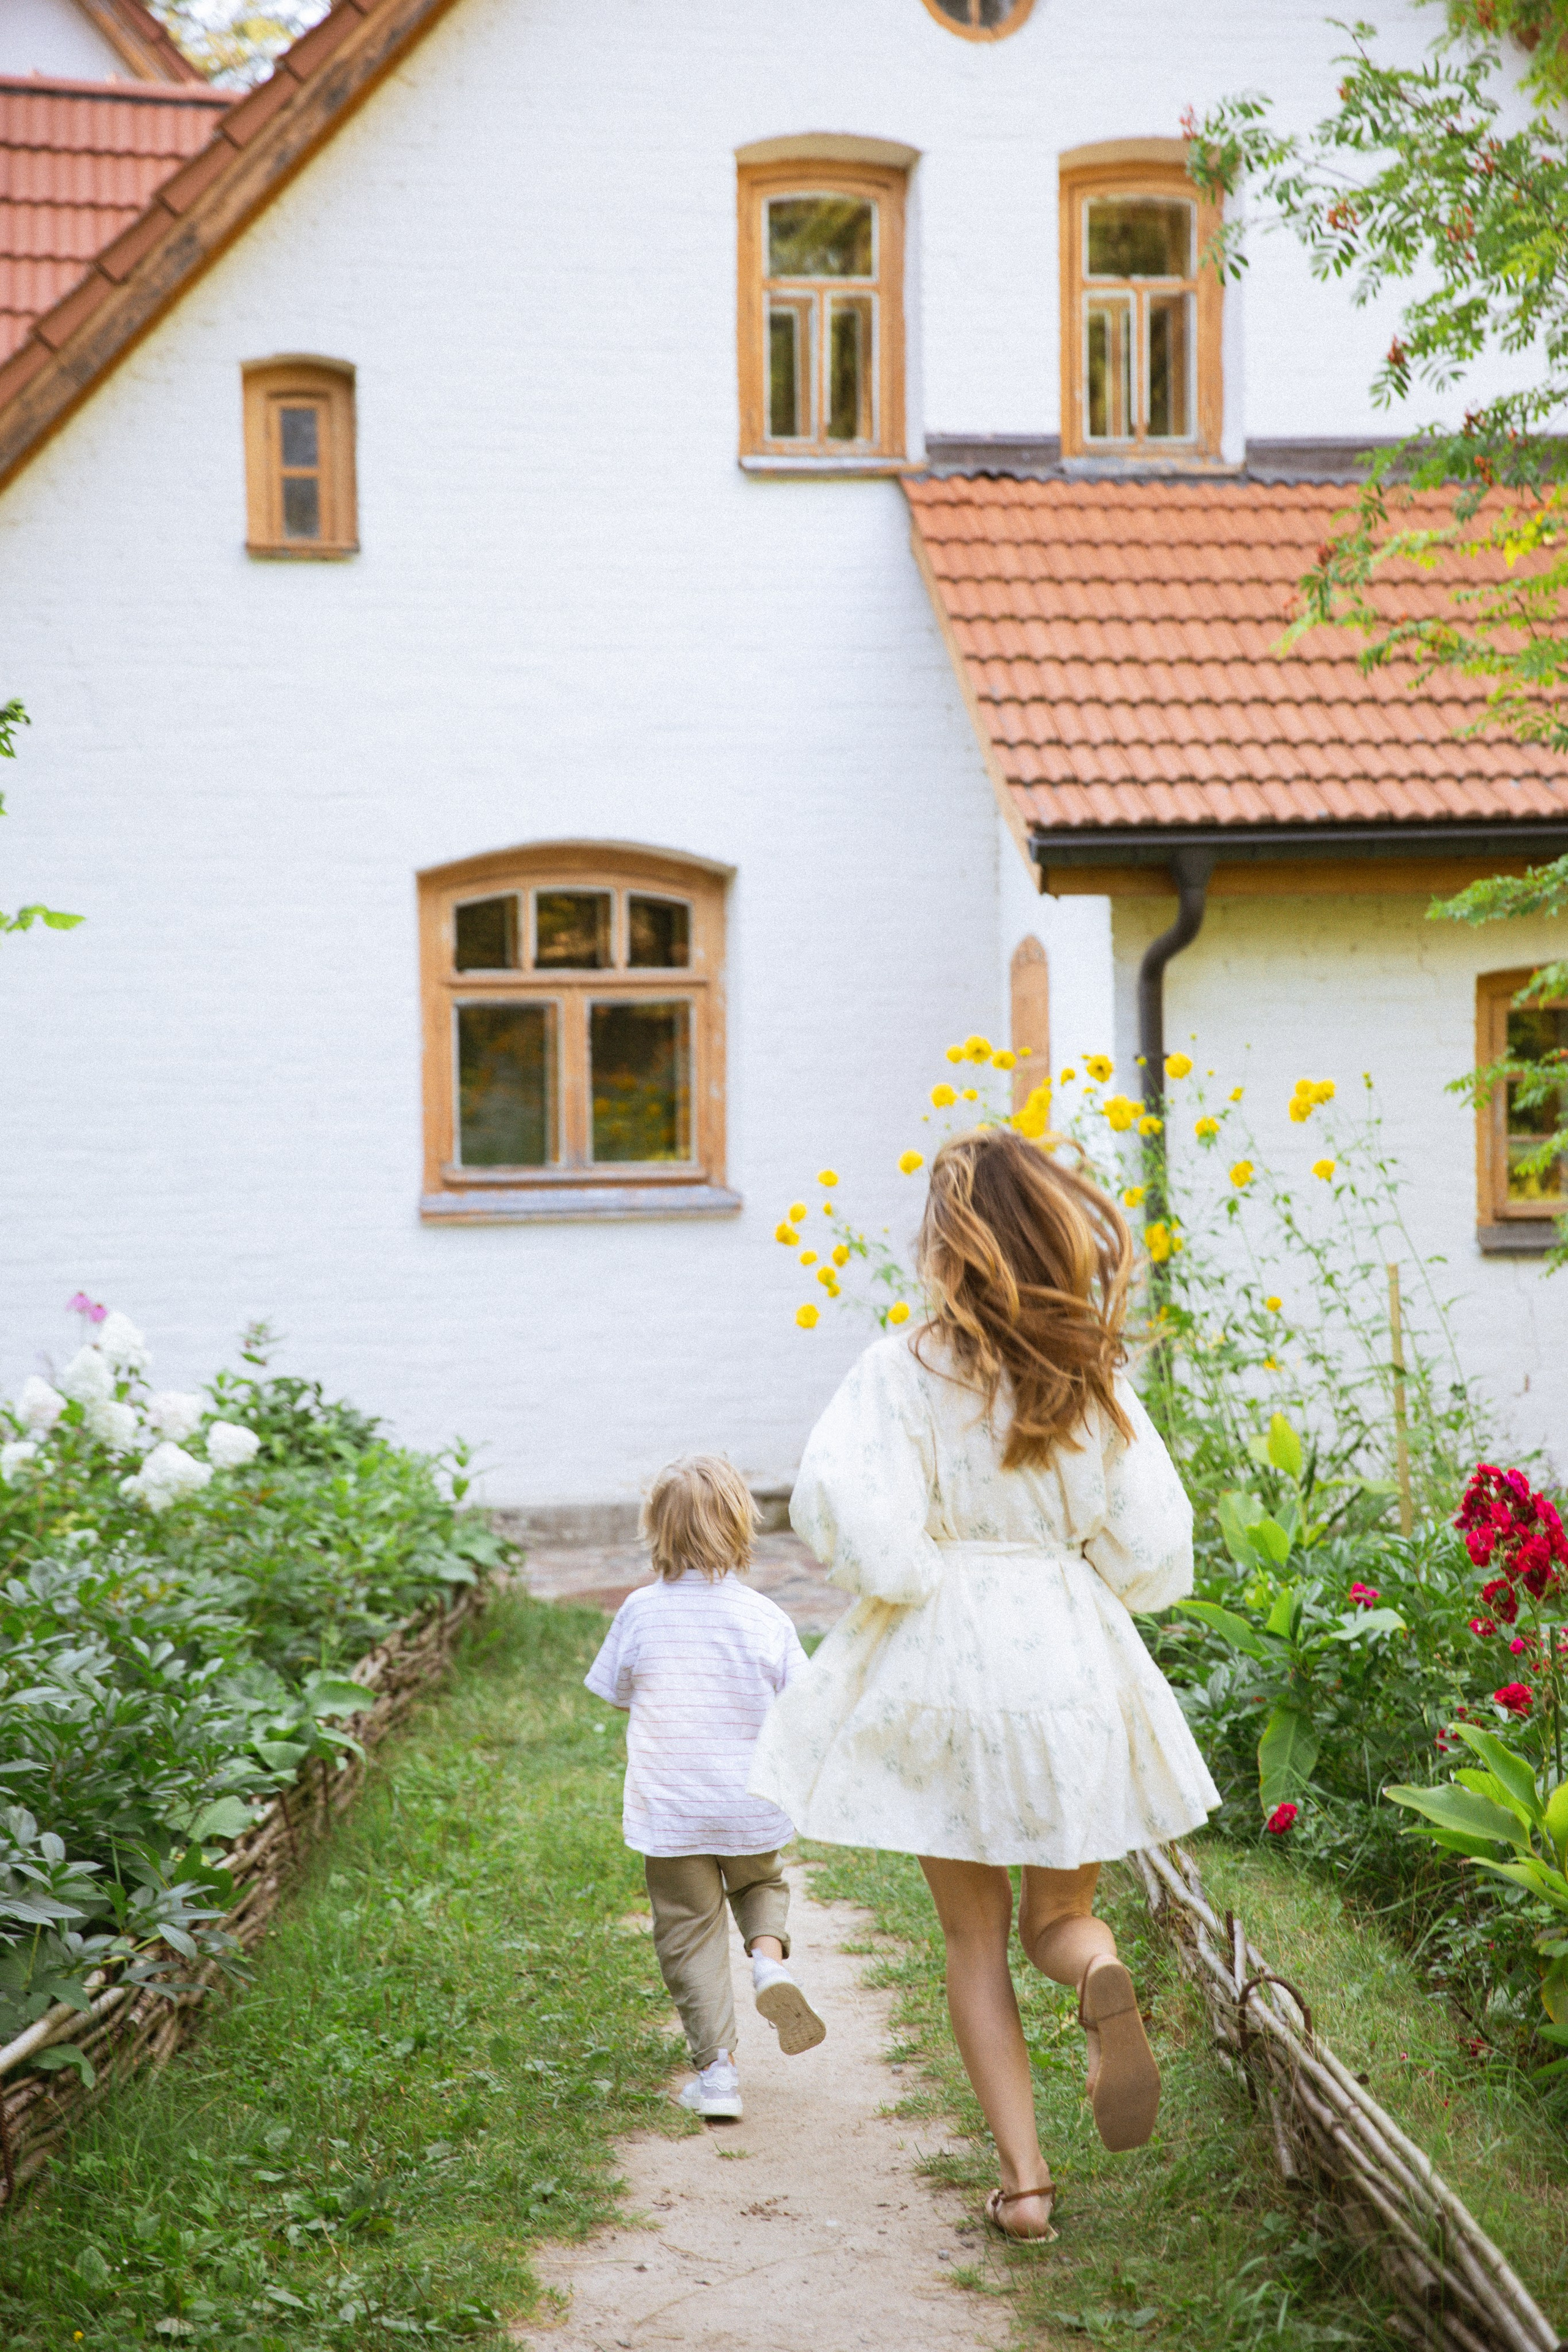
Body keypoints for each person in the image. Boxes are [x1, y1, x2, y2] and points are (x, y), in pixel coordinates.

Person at [749, 1127, 1218, 2239]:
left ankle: (1026, 2187)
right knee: (1062, 1915)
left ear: (949, 1246)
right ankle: (1099, 1970)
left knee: (974, 1938)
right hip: (1069, 1660)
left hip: (947, 1662)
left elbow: (859, 1524)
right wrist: (1075, 1570)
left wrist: (920, 1571)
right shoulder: (1090, 1377)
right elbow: (1150, 1546)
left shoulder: (899, 1369)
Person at [585, 1453, 827, 2123]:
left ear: (656, 1532)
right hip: (750, 1802)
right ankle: (768, 1961)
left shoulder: (639, 1611)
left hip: (673, 1811)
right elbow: (803, 1704)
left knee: (688, 1933)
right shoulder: (765, 1617)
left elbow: (613, 1692)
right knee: (759, 1886)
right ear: (740, 1526)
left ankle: (717, 2075)